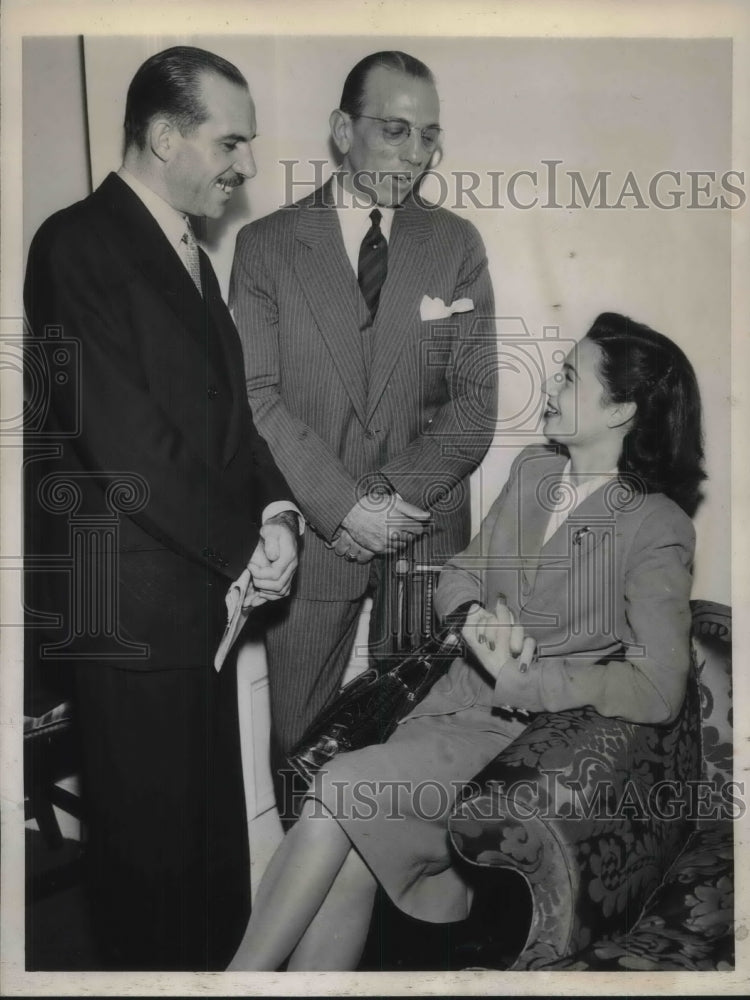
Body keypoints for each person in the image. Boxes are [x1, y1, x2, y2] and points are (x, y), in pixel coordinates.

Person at [227, 311, 705, 971]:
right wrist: (477, 613)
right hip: (441, 712)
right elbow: (459, 574)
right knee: (351, 860)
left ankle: (235, 983)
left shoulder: (658, 527)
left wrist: (529, 678)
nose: (551, 386)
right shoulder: (534, 473)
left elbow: (658, 687)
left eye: (570, 377)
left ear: (621, 410)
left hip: (517, 744)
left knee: (337, 790)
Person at [24, 46, 301, 970]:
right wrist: (239, 546)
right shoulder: (75, 244)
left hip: (199, 604)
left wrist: (276, 518)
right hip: (131, 617)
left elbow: (234, 425)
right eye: (231, 143)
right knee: (150, 877)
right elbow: (124, 440)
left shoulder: (192, 254)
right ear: (163, 135)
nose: (247, 166)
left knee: (207, 855)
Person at [230, 51, 497, 809]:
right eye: (394, 130)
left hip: (424, 531)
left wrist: (382, 500)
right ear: (342, 132)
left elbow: (476, 403)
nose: (414, 154)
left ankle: (398, 930)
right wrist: (345, 508)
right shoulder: (267, 247)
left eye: (428, 136)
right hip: (317, 539)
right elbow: (257, 397)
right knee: (304, 752)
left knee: (418, 761)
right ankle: (318, 926)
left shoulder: (455, 244)